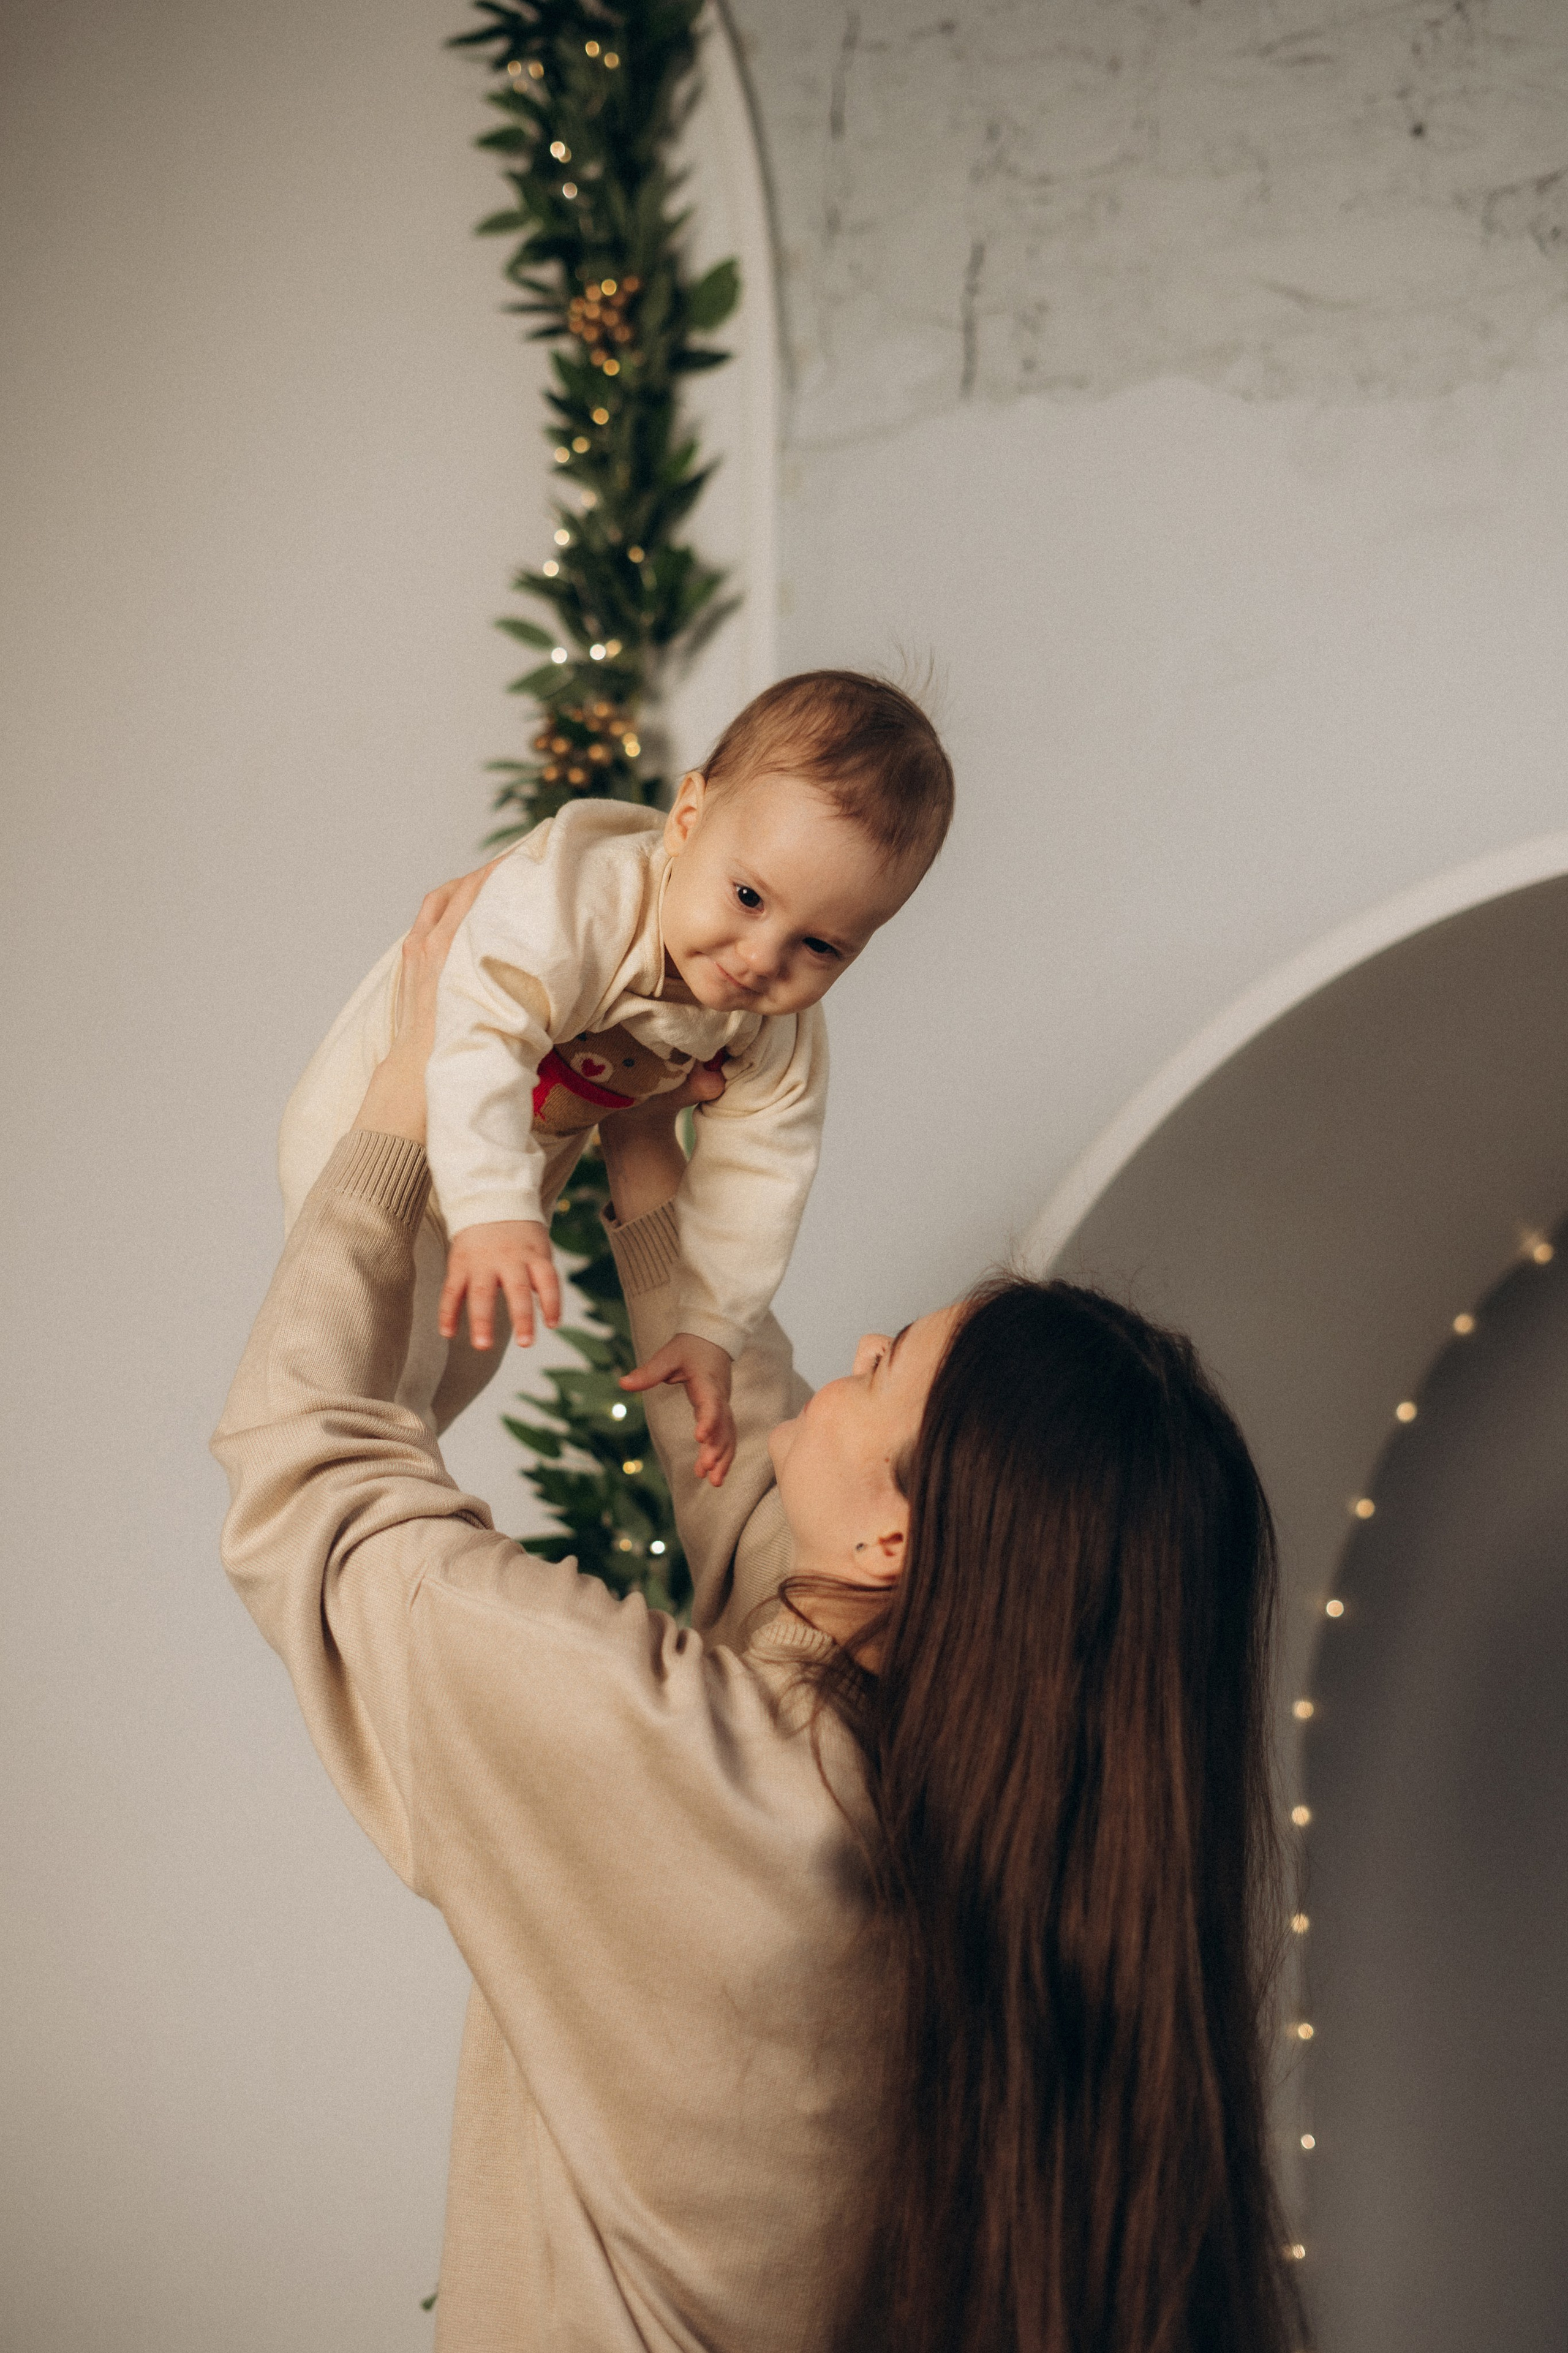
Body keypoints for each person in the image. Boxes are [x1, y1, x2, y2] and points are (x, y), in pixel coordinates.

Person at [214, 872, 1300, 2353]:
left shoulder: (728, 1786)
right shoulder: (956, 1805)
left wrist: (408, 1096)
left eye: (885, 1364)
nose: (849, 1350)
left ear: (902, 1538)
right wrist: (644, 1159)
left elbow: (314, 1476)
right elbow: (754, 1485)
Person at [276, 670, 954, 1484]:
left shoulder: (775, 1028)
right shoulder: (583, 903)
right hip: (378, 1134)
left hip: (506, 1187)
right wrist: (492, 1207)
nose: (760, 958)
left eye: (821, 946)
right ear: (688, 820)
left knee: (463, 1366)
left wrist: (710, 1326)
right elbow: (481, 1035)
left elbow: (764, 1173)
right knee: (386, 1383)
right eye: (748, 896)